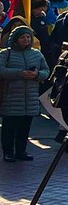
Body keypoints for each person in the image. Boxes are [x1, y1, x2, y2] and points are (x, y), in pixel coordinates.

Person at [0, 25, 50, 161]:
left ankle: (21, 151)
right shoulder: (5, 53)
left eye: (28, 37)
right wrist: (19, 73)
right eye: (22, 37)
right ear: (15, 39)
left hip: (30, 97)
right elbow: (1, 70)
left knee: (25, 127)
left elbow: (46, 71)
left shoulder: (37, 54)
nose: (26, 39)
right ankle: (8, 151)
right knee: (9, 127)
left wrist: (36, 74)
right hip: (11, 96)